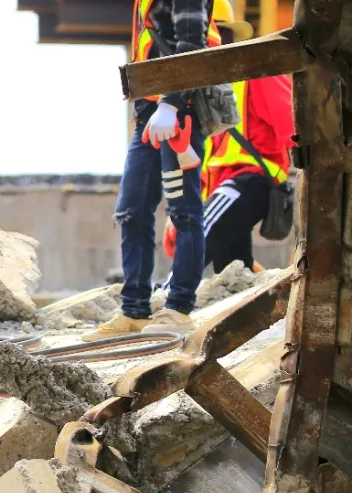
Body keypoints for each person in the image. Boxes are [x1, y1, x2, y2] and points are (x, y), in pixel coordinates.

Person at [83, 0, 222, 342]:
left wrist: (171, 104)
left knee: (184, 212)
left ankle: (178, 308)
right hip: (148, 115)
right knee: (132, 210)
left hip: (178, 114)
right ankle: (134, 310)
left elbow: (192, 45)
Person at [161, 1, 293, 278]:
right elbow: (204, 161)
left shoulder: (259, 74)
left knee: (195, 246)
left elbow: (294, 126)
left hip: (251, 180)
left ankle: (166, 300)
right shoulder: (200, 94)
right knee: (233, 273)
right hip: (225, 188)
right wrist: (179, 209)